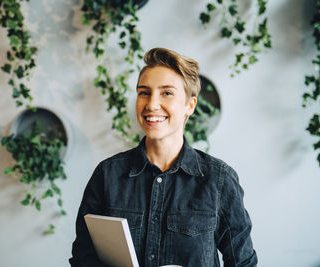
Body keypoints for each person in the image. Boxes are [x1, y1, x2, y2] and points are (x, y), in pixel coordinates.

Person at [69, 48, 257, 267]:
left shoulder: (219, 180)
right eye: (144, 92)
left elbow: (243, 263)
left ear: (190, 105)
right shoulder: (107, 174)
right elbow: (83, 259)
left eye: (166, 93)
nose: (151, 104)